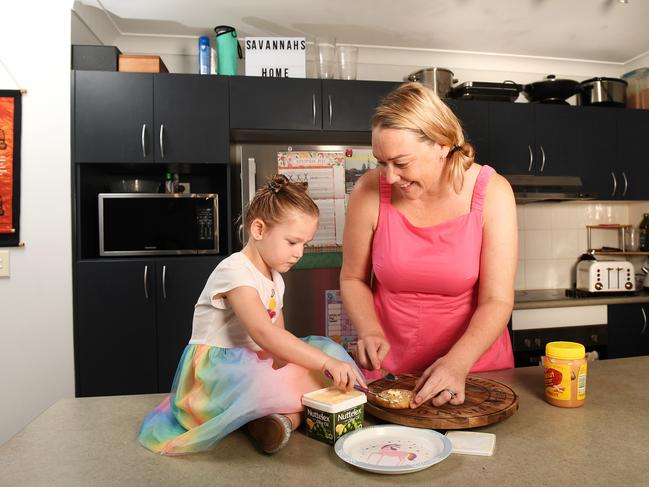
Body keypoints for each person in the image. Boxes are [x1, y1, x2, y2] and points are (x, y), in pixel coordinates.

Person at [139, 174, 365, 455]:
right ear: (258, 229)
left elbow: (279, 339)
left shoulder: (274, 277)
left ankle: (279, 420)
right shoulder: (234, 271)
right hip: (219, 371)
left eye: (304, 245)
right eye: (293, 242)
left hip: (253, 358)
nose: (299, 253)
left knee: (324, 351)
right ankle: (278, 413)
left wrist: (298, 364)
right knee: (306, 371)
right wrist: (321, 365)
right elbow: (264, 333)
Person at [340, 82, 517, 410]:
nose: (390, 177)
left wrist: (457, 364)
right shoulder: (368, 191)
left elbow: (497, 300)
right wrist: (370, 330)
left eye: (401, 163)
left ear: (442, 145)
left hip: (473, 369)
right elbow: (352, 278)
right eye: (381, 162)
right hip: (391, 372)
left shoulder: (492, 192)